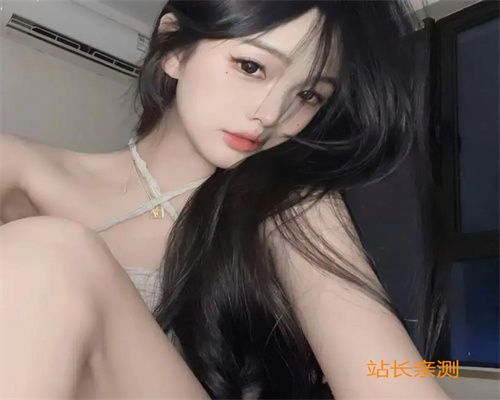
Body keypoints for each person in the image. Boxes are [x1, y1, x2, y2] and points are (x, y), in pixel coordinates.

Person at [0, 0, 450, 398]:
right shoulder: (20, 171)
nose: (271, 114)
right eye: (252, 67)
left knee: (53, 255)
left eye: (308, 94)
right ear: (174, 48)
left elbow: (389, 379)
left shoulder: (288, 207)